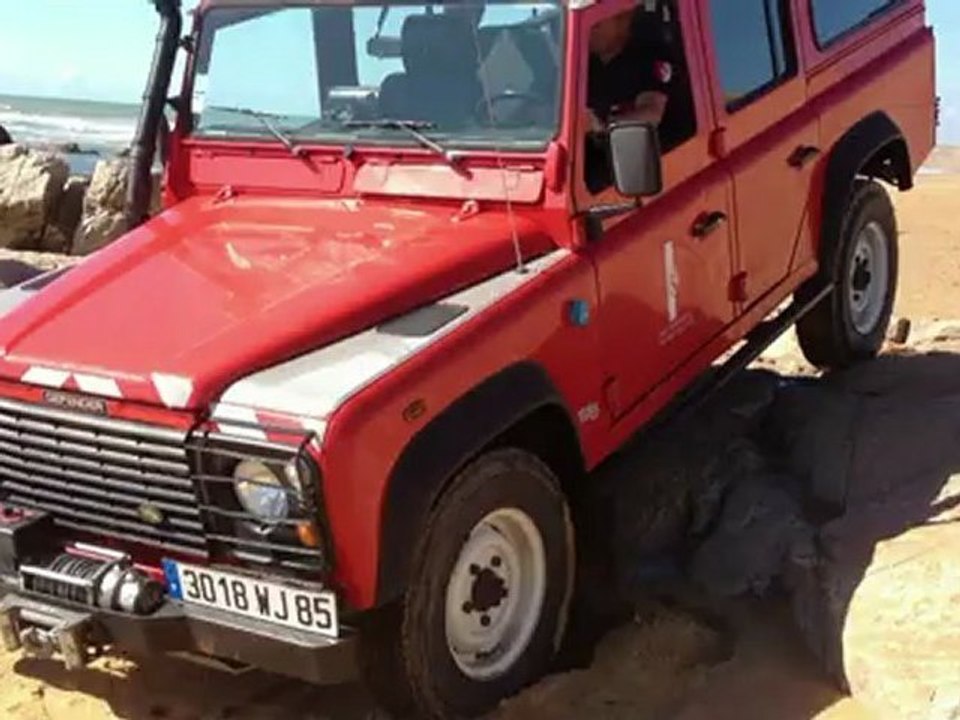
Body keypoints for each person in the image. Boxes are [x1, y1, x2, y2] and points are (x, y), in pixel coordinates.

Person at [587, 8, 672, 132]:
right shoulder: (582, 62)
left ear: (623, 21)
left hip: (642, 147)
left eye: (596, 25)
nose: (588, 31)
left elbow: (652, 113)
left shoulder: (647, 56)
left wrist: (602, 126)